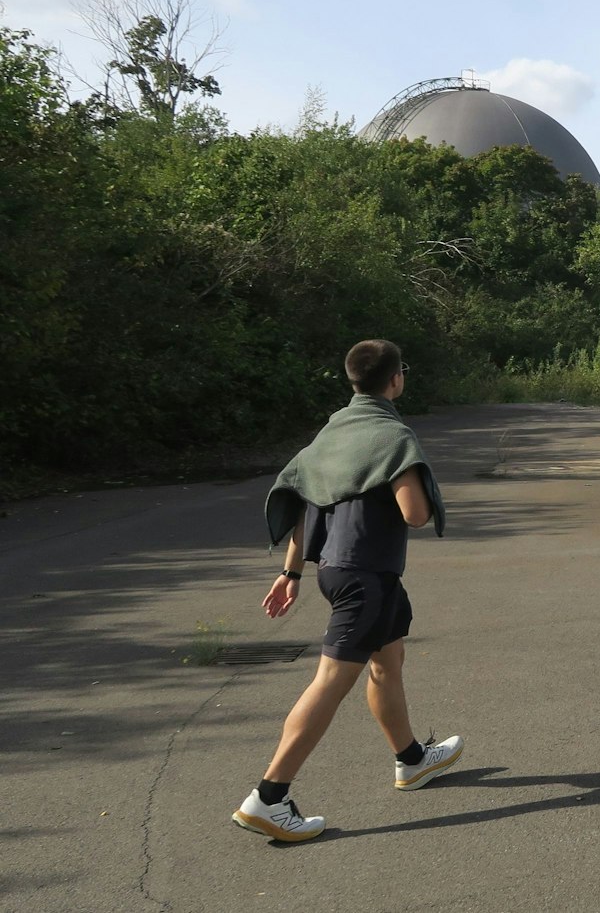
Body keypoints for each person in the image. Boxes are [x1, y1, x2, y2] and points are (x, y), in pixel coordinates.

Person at [234, 339, 461, 842]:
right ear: (395, 379)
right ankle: (269, 797)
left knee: (387, 662)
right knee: (330, 683)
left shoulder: (334, 431)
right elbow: (415, 515)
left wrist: (290, 573)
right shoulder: (390, 435)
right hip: (367, 577)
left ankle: (411, 760)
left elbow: (303, 500)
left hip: (340, 572)